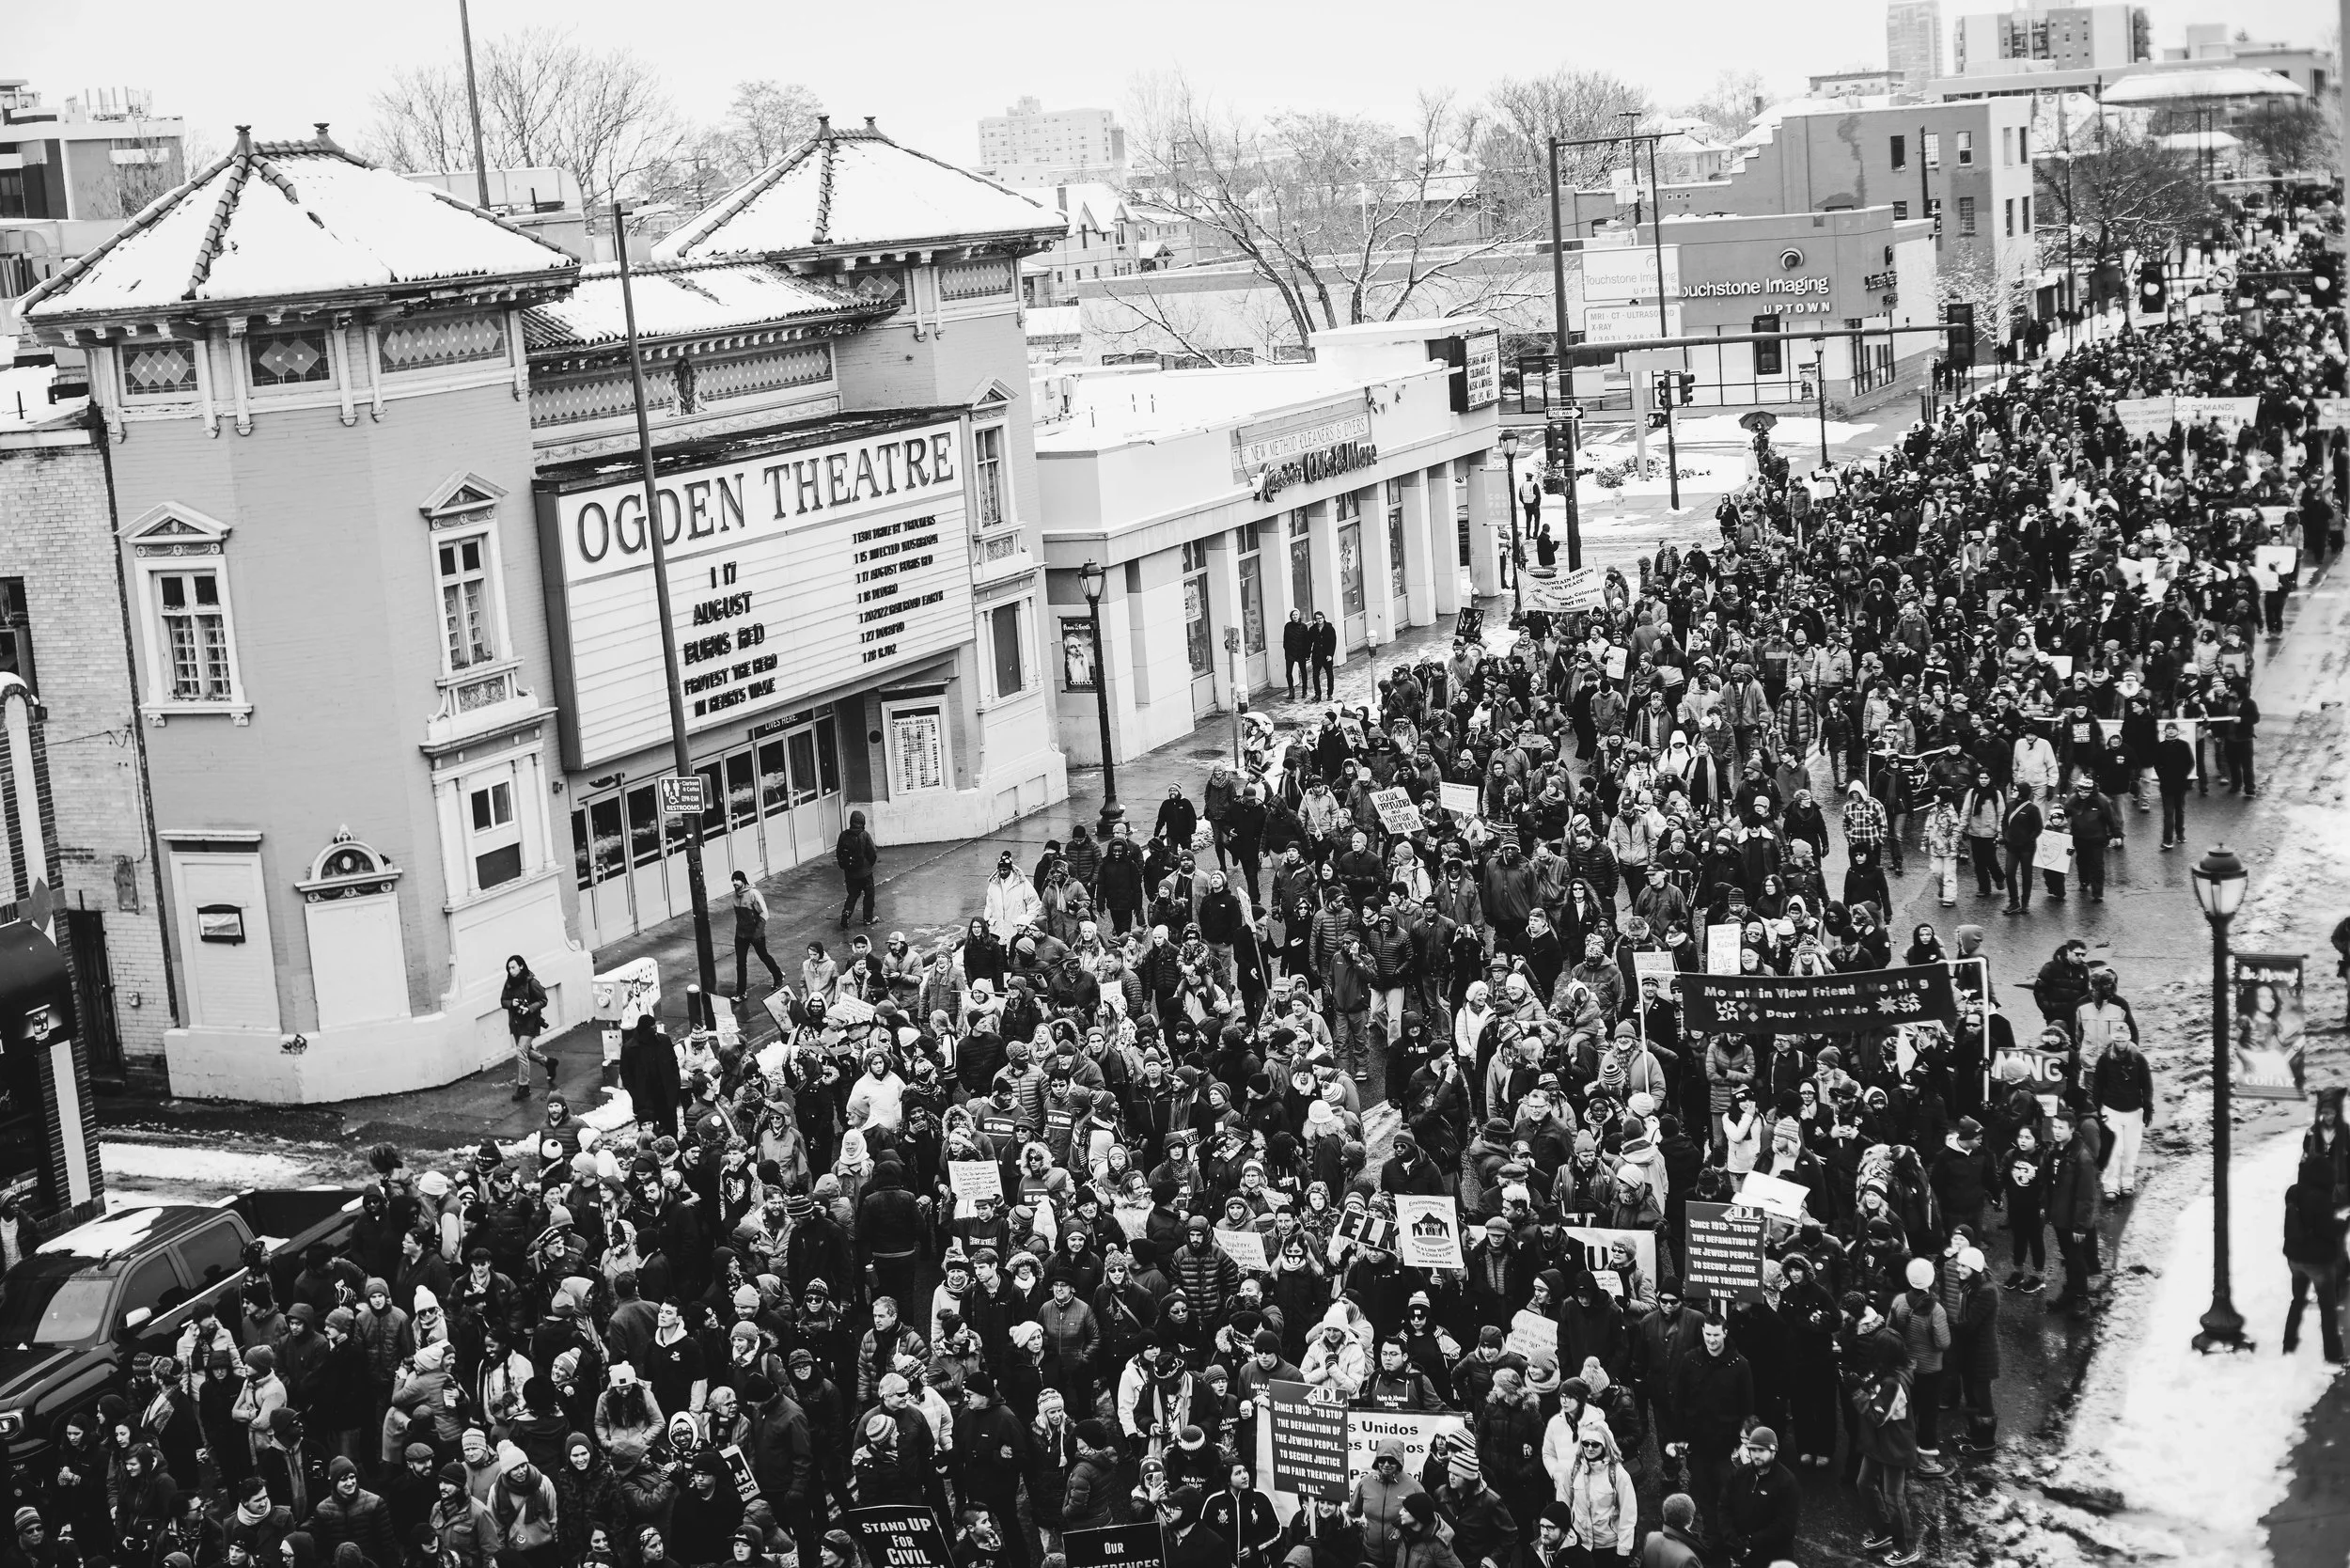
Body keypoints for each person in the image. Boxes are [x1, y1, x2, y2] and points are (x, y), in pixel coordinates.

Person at [2282, 1154, 2347, 1362]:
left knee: (2297, 1301)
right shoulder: (2320, 1198)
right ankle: (2333, 1356)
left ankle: (2288, 1345)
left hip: (2294, 1258)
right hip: (2318, 1261)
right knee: (2328, 1310)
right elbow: (2327, 1231)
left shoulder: (2292, 1192)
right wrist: (2343, 1223)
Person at [499, 957, 554, 1103]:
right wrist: (512, 1003)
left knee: (521, 1051)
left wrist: (528, 1009)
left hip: (530, 1022)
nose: (511, 971)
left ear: (521, 966)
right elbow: (503, 1001)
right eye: (509, 969)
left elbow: (543, 1000)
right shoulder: (509, 983)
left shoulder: (532, 982)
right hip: (516, 1023)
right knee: (527, 1052)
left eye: (513, 967)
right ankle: (548, 1062)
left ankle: (524, 1086)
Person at [729, 871, 785, 997]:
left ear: (743, 880)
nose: (734, 883)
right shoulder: (734, 896)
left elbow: (764, 914)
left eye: (737, 880)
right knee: (741, 963)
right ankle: (741, 993)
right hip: (741, 934)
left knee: (764, 956)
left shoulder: (753, 894)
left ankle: (778, 976)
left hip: (755, 933)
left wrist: (757, 933)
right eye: (733, 880)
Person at [836, 810, 880, 927]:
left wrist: (845, 866)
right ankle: (868, 918)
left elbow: (839, 852)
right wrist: (869, 864)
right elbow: (872, 852)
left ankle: (846, 913)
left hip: (850, 873)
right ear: (862, 822)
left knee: (853, 895)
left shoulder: (843, 835)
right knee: (869, 894)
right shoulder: (864, 835)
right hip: (865, 873)